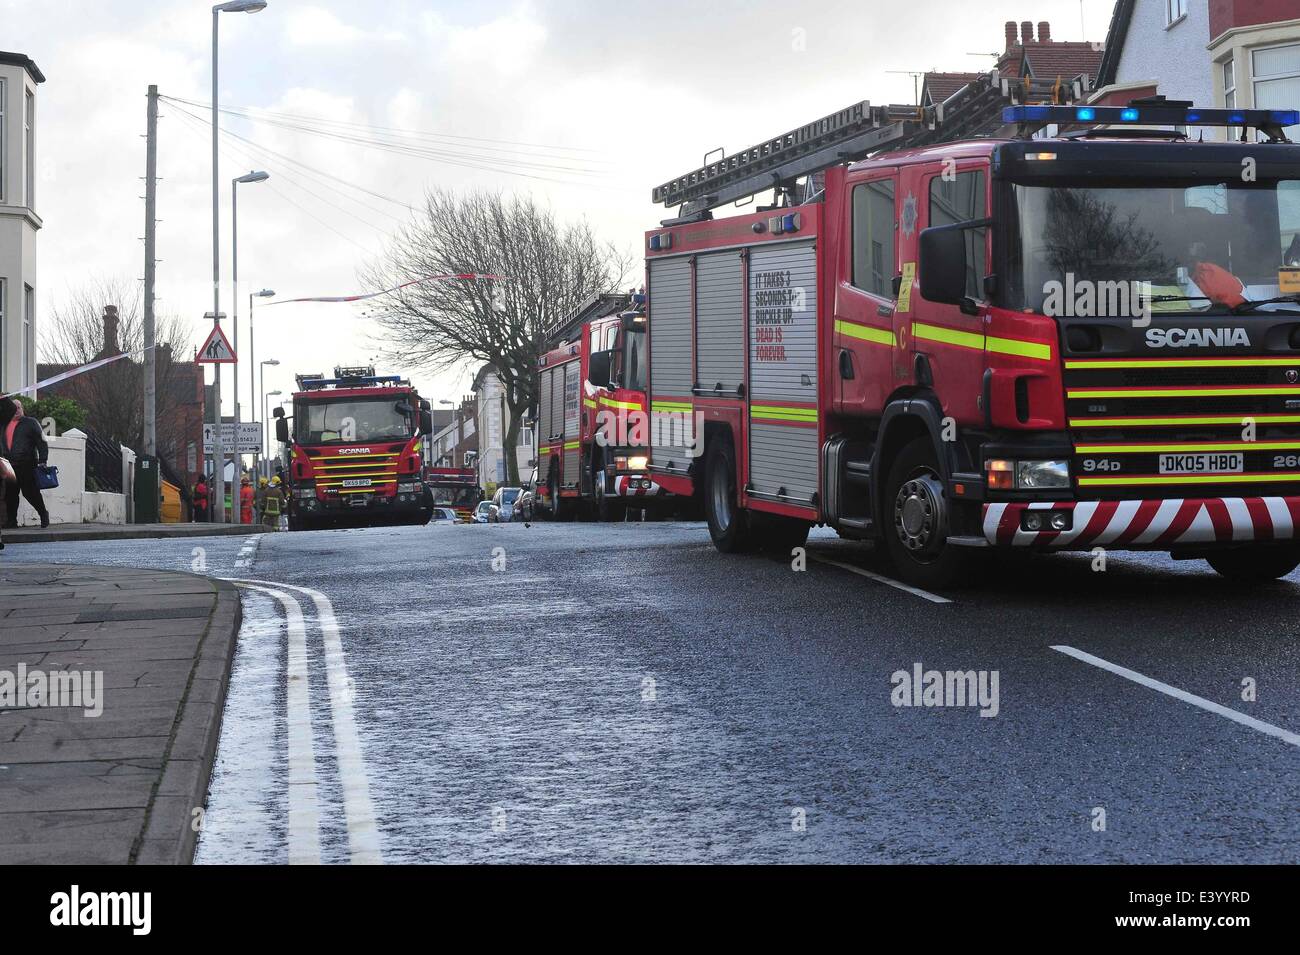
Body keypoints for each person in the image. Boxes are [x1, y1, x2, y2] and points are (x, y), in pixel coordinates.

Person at [0, 398, 50, 529]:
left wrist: (43, 460)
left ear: (22, 409)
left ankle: (43, 514)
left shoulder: (31, 423)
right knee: (10, 495)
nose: (16, 410)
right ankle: (12, 521)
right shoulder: (4, 424)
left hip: (27, 464)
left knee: (30, 492)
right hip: (9, 465)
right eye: (13, 408)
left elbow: (42, 442)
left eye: (18, 407)